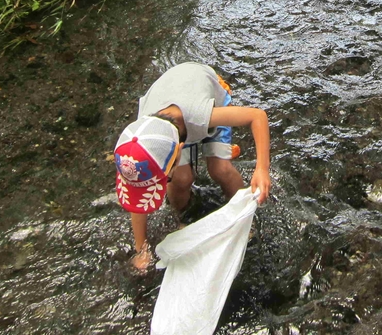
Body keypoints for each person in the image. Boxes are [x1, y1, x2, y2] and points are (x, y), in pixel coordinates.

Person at [113, 62, 271, 271]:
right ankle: (184, 218)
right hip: (173, 115)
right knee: (181, 179)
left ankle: (244, 222)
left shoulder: (202, 115)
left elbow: (257, 116)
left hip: (209, 102)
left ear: (179, 150)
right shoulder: (140, 142)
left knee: (220, 170)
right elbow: (139, 189)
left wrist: (262, 169)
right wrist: (141, 248)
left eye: (163, 178)